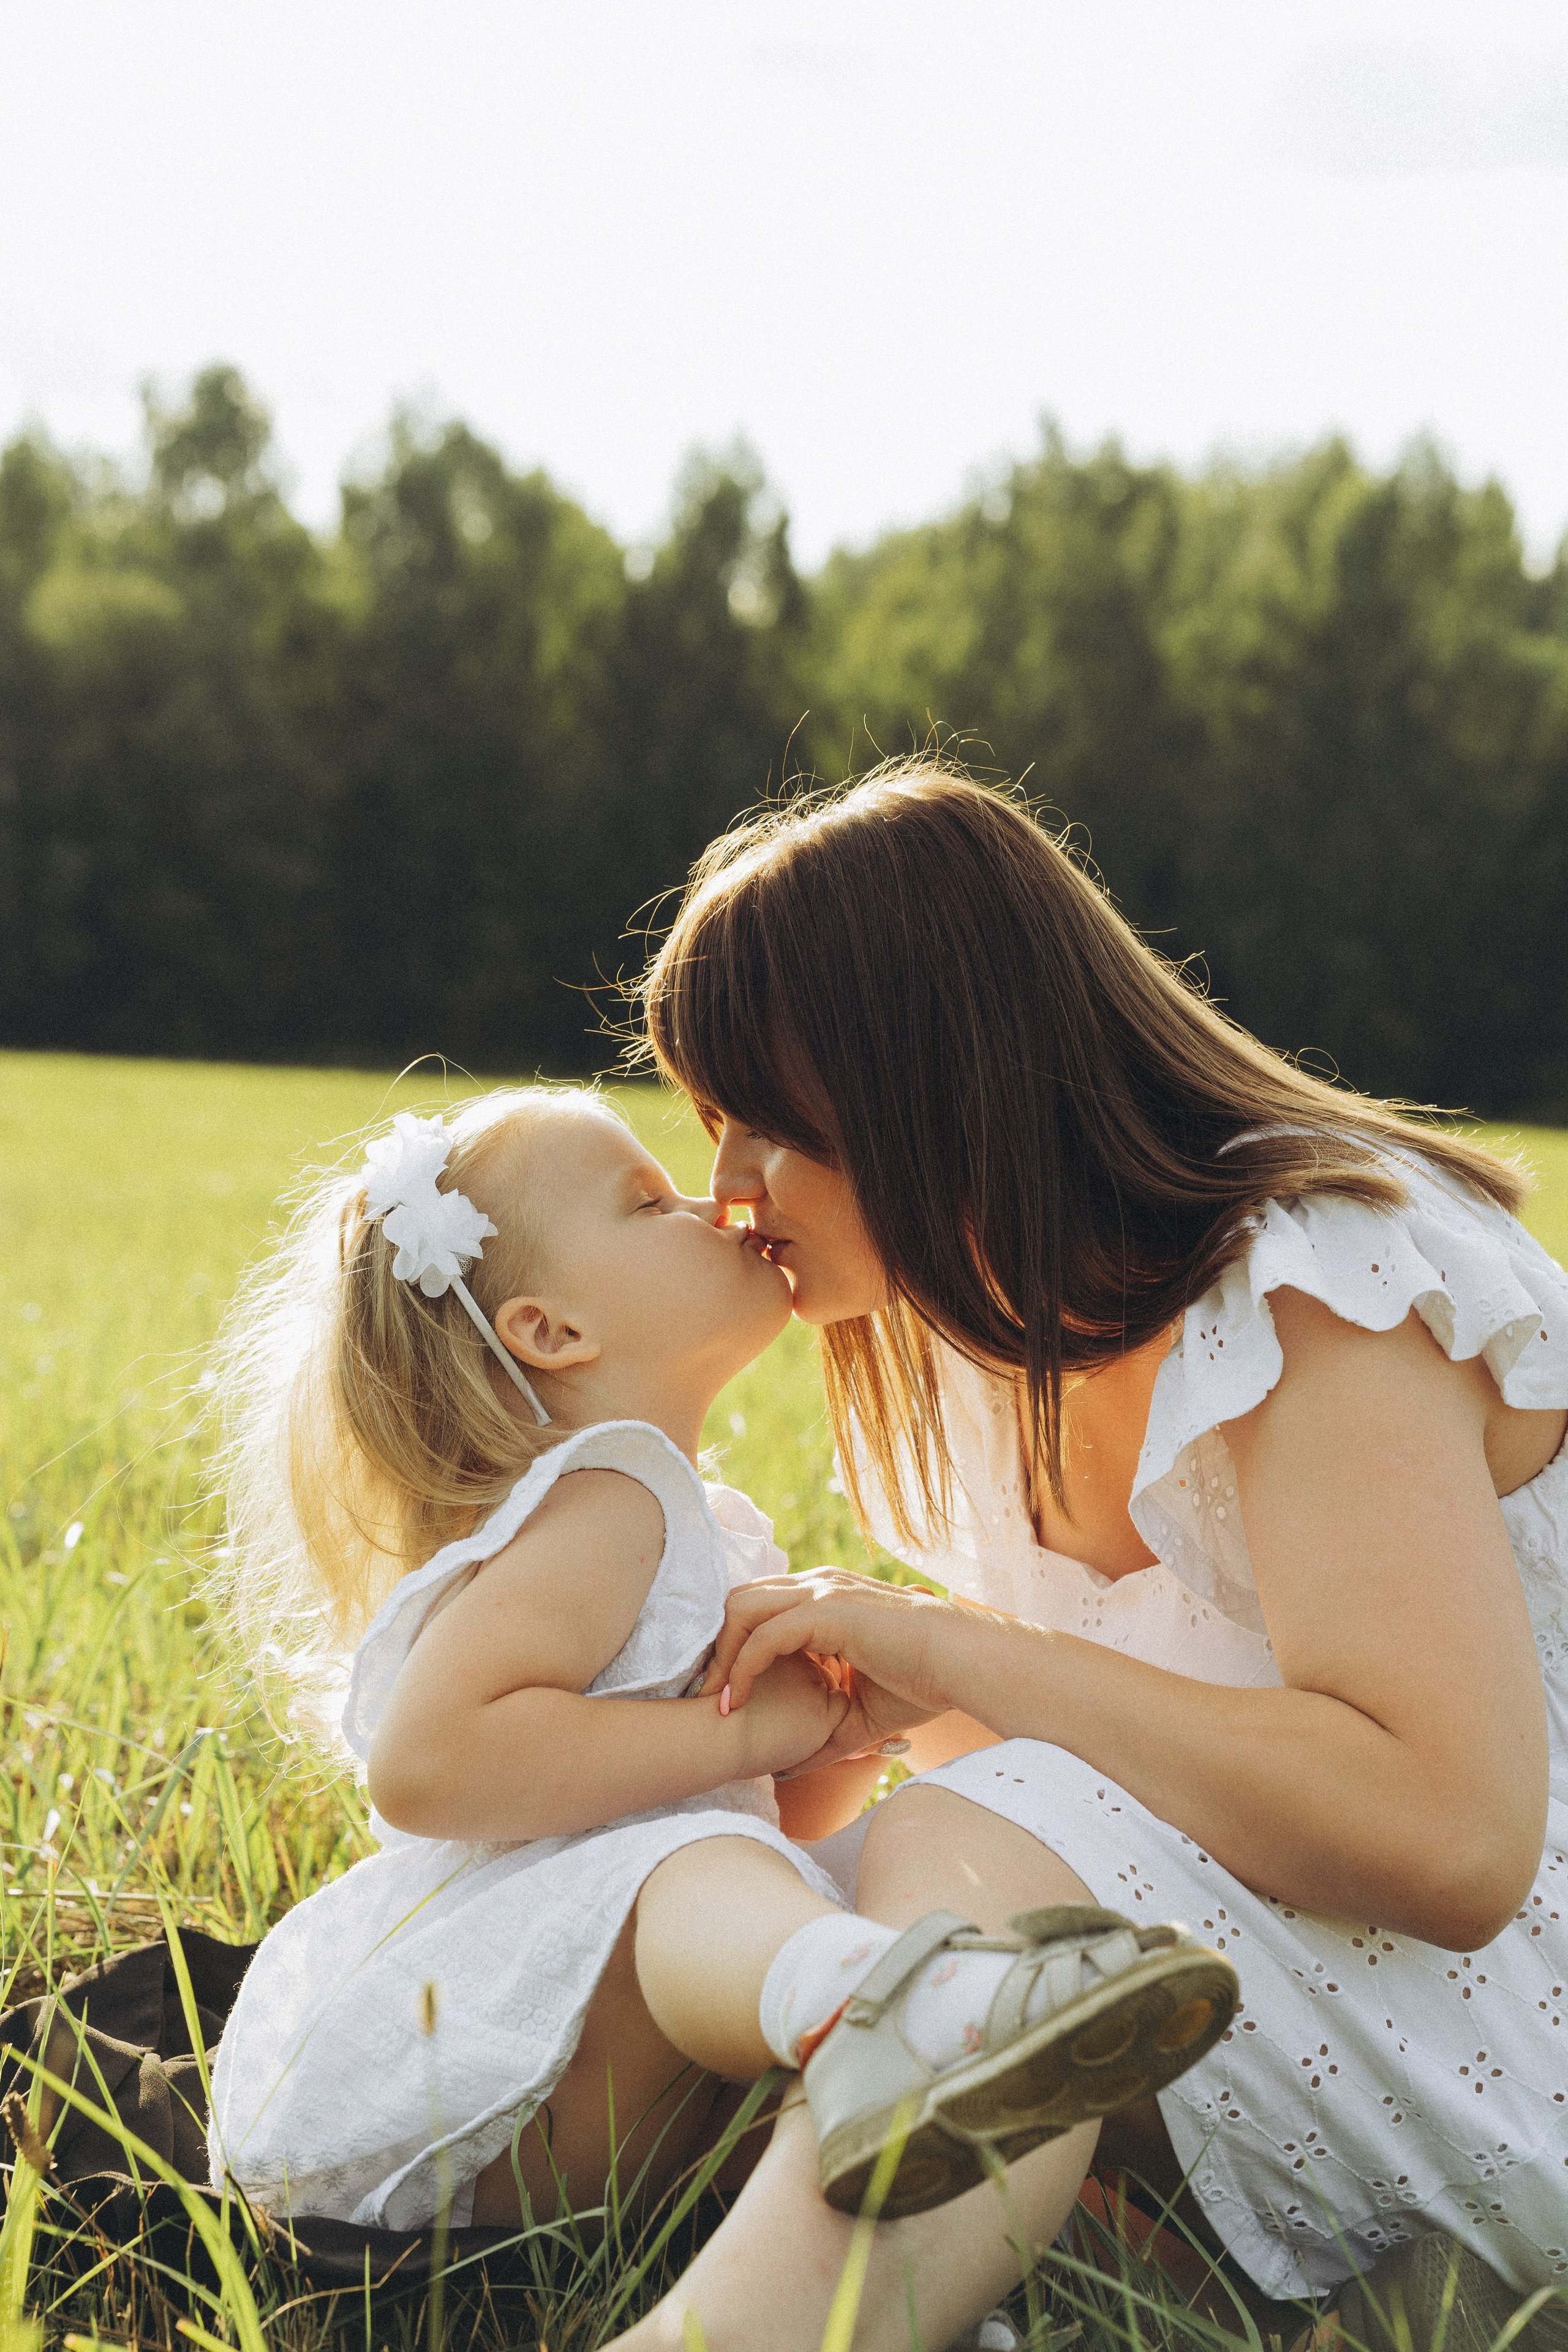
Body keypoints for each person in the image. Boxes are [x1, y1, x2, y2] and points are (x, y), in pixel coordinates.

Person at [618, 763, 1568, 2351]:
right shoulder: (986, 1358)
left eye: (767, 1126)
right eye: (712, 1132)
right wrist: (829, 1737)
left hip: (1513, 2029)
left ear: (926, 1077)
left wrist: (952, 1660)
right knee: (781, 1912)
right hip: (1292, 1970)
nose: (728, 1197)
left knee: (975, 1875)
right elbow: (1161, 1764)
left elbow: (1450, 1837)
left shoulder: (1314, 1280)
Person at [203, 1087, 1229, 2242]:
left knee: (837, 1843)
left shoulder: (689, 1514)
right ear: (551, 1332)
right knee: (700, 1864)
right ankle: (900, 2012)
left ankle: (992, 2174)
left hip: (609, 2086)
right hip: (489, 2068)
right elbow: (430, 1763)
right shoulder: (607, 1495)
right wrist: (742, 1735)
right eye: (650, 1201)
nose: (714, 1203)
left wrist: (835, 1734)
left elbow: (771, 1811)